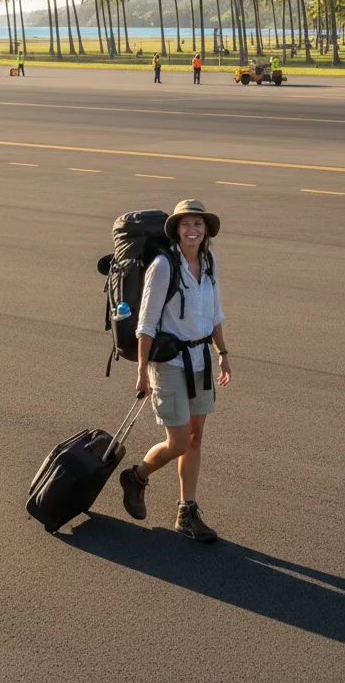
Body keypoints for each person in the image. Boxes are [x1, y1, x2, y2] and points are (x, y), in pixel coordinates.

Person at [120, 200, 232, 542]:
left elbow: (214, 312)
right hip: (169, 364)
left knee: (196, 440)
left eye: (197, 223)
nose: (192, 230)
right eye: (185, 225)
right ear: (177, 230)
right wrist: (142, 371)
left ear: (206, 230)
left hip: (201, 360)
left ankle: (187, 510)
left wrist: (222, 353)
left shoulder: (209, 262)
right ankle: (137, 476)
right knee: (179, 442)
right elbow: (146, 323)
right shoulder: (163, 266)